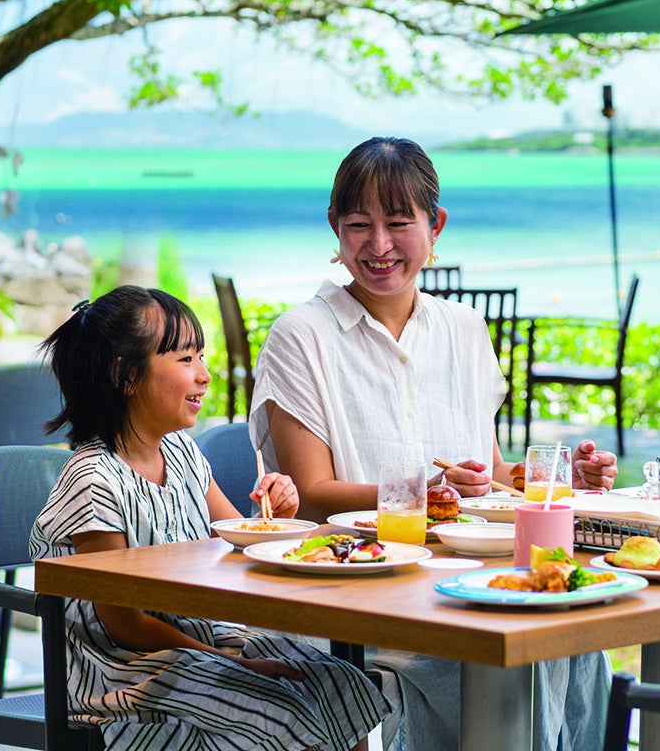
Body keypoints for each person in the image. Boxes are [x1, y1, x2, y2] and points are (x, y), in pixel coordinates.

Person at [250, 135, 618, 751]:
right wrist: (423, 492)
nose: (379, 245)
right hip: (360, 596)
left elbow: (491, 473)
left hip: (471, 581)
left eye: (399, 223)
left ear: (435, 225)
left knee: (576, 641)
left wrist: (558, 484)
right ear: (335, 229)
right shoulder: (301, 335)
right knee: (512, 654)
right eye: (358, 225)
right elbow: (311, 497)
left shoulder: (464, 329)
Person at [29, 286, 390, 751]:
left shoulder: (181, 452)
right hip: (123, 672)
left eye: (201, 357)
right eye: (185, 360)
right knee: (280, 713)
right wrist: (233, 662)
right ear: (125, 375)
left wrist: (277, 512)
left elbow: (236, 544)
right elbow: (124, 625)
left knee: (337, 684)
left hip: (195, 638)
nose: (204, 375)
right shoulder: (94, 479)